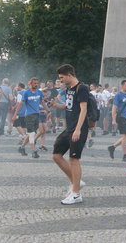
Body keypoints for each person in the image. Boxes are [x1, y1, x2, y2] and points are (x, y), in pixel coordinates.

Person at [50, 64, 89, 205]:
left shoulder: (82, 88)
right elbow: (69, 107)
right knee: (56, 155)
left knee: (74, 159)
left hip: (78, 128)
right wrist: (55, 105)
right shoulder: (69, 89)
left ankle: (76, 193)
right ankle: (76, 182)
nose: (60, 81)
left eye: (61, 78)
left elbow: (84, 110)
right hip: (69, 128)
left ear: (69, 75)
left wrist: (78, 129)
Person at [14, 78, 49, 159]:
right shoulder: (26, 93)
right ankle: (33, 151)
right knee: (32, 134)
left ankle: (22, 147)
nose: (36, 85)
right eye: (34, 83)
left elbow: (42, 102)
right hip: (29, 116)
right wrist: (15, 114)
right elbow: (20, 104)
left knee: (31, 133)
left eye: (37, 83)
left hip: (37, 115)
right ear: (30, 84)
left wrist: (48, 110)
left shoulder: (39, 92)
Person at [108, 80, 126, 162]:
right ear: (122, 86)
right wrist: (113, 120)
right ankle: (125, 155)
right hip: (122, 117)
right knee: (125, 136)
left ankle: (113, 147)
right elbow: (114, 107)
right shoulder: (118, 95)